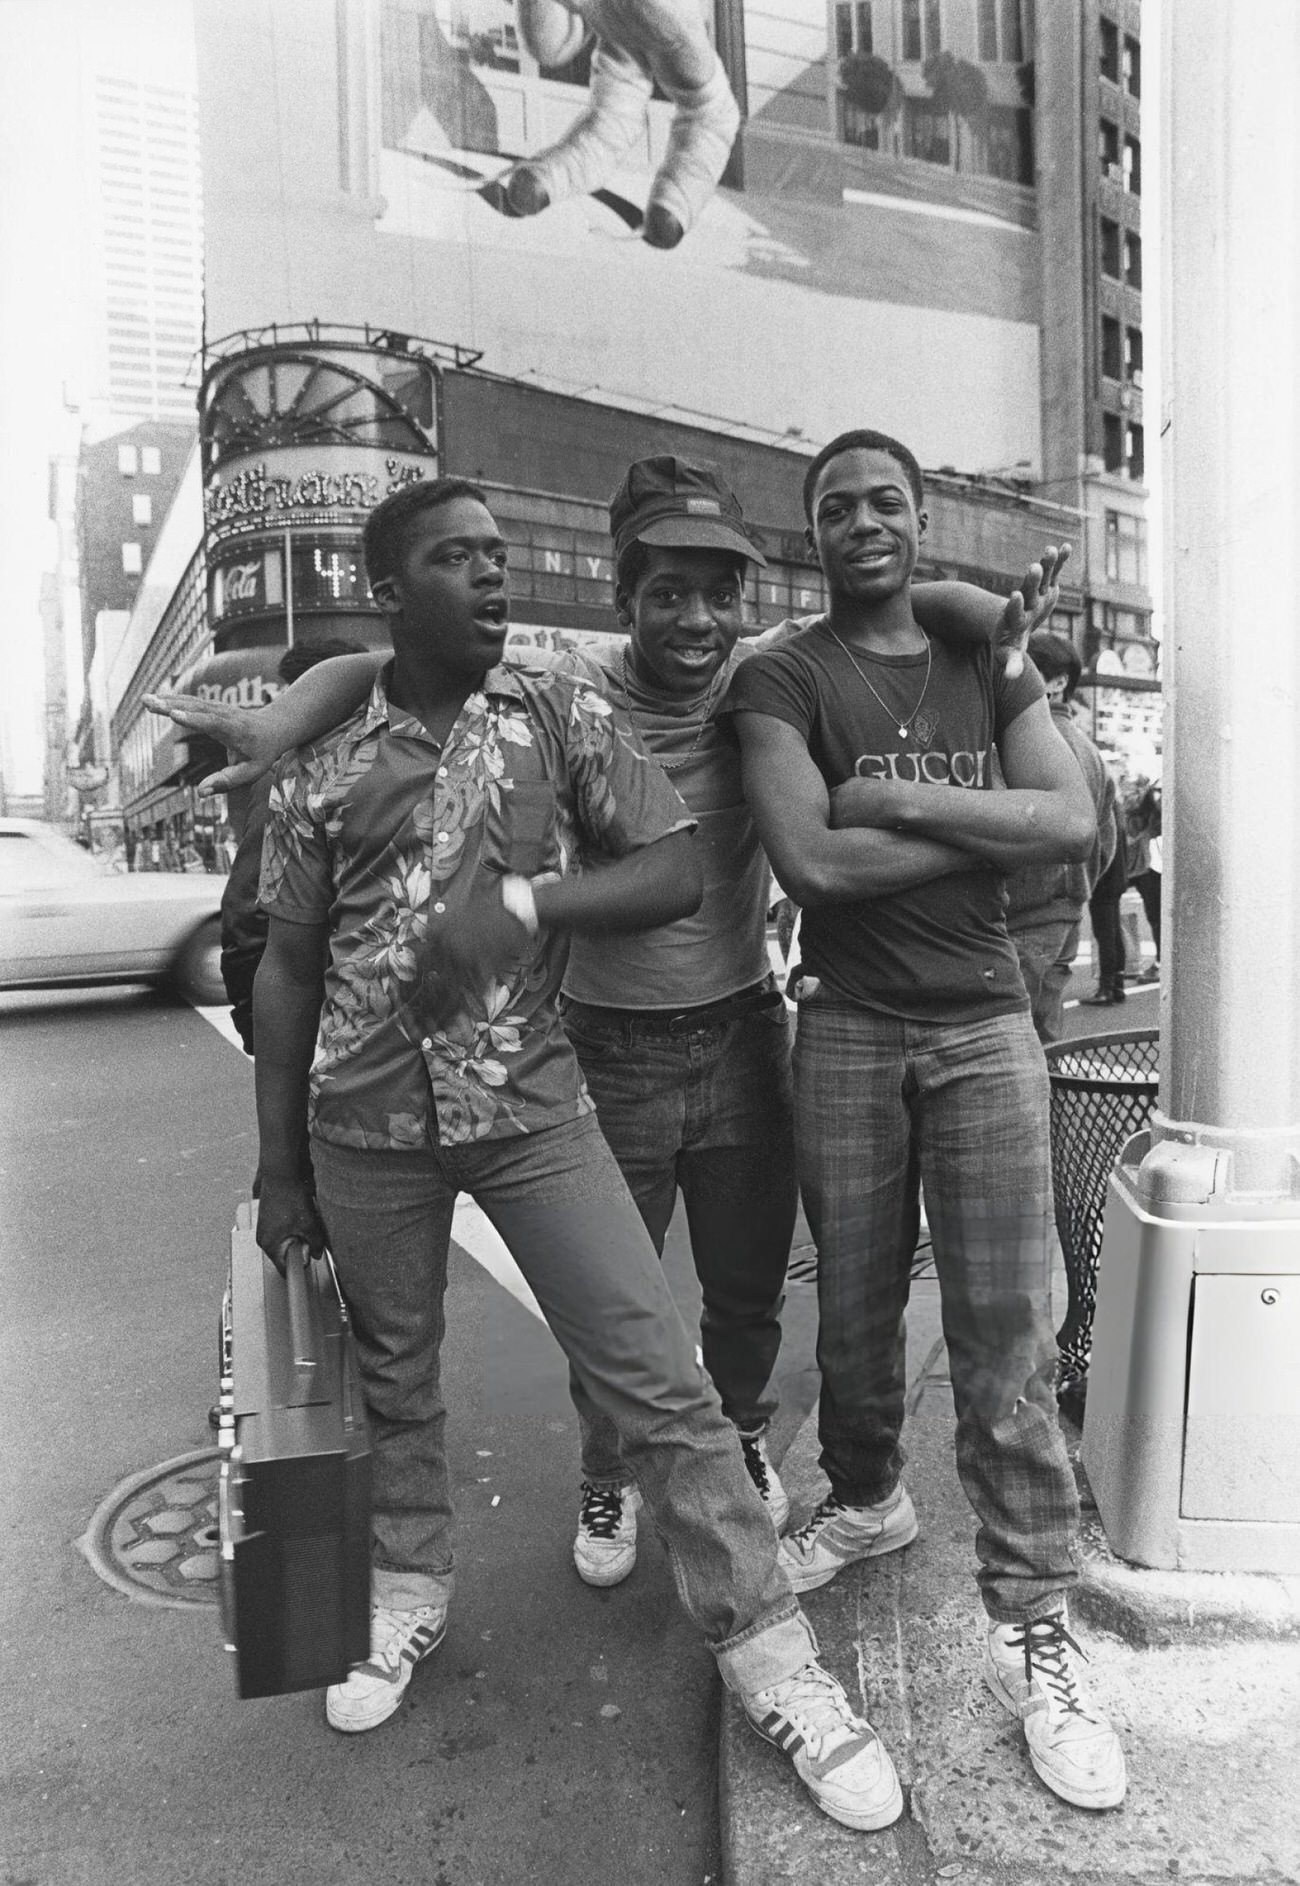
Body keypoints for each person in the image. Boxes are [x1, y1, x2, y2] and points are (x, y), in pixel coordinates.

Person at [149, 459, 1067, 1591]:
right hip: (601, 1046)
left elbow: (892, 600)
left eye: (717, 592)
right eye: (664, 591)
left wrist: (986, 622)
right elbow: (376, 662)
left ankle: (734, 1440)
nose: (693, 617)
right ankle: (604, 1472)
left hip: (742, 1033)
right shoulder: (563, 682)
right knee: (609, 1319)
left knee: (745, 1295)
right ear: (620, 596)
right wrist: (282, 718)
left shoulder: (757, 674)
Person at [223, 471, 910, 1835]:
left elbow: (673, 866)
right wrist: (281, 1160)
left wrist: (531, 901)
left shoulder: (552, 711)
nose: (493, 577)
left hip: (536, 1108)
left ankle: (773, 1657)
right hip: (362, 1131)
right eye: (460, 559)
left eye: (499, 554)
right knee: (394, 1377)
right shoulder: (320, 759)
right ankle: (406, 1592)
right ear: (387, 591)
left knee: (661, 1381)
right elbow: (288, 965)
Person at [723, 428, 1128, 1812]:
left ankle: (1034, 1625)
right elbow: (810, 859)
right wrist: (991, 816)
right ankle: (865, 1491)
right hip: (842, 1019)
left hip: (982, 1022)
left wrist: (896, 789)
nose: (864, 522)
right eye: (837, 507)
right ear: (811, 534)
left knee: (1006, 1329)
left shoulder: (980, 650)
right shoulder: (781, 672)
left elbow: (1072, 818)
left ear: (921, 516)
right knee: (847, 1304)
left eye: (886, 500)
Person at [218, 639, 368, 1055]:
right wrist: (257, 1023)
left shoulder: (308, 770)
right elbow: (250, 908)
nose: (280, 703)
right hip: (329, 1020)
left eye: (287, 691)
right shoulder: (290, 773)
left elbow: (246, 910)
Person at [503, 0, 740, 249]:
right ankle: (665, 202)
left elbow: (552, 48)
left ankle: (676, 198)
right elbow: (551, 48)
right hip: (634, 18)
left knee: (701, 109)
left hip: (654, 19)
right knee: (697, 109)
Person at [1004, 630, 1118, 1042]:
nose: (1011, 674)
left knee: (1012, 1038)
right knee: (1045, 1032)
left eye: (1026, 666)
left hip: (1027, 913)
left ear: (1058, 683)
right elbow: (1106, 842)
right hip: (1065, 910)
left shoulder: (1030, 744)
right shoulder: (1089, 750)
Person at [1124, 777, 1162, 981]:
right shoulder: (1141, 811)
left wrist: (1147, 789)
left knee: (1157, 917)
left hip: (1151, 868)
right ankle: (1161, 962)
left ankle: (1161, 963)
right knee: (1155, 917)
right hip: (1143, 868)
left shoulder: (1149, 806)